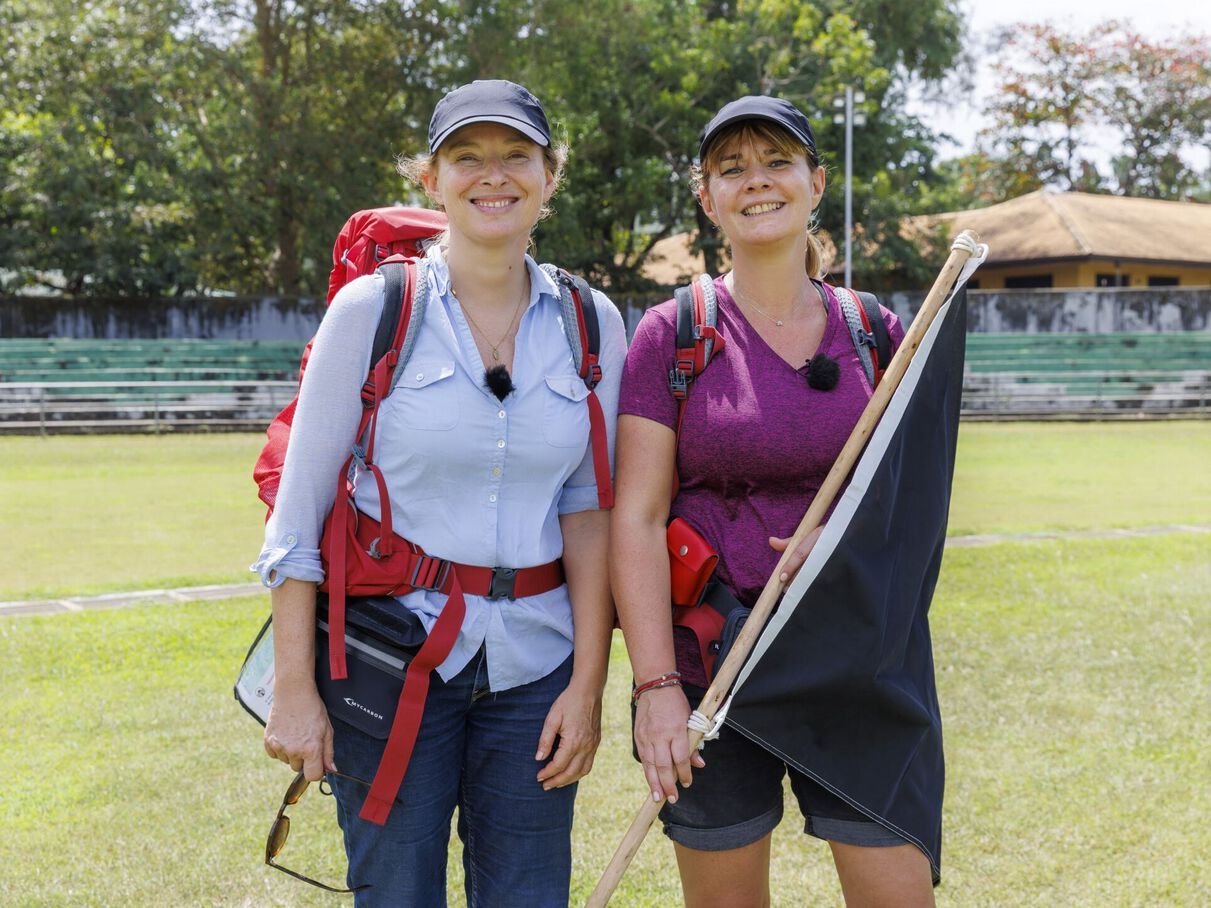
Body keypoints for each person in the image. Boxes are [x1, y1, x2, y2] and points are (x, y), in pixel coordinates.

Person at [253, 79, 625, 907]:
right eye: (467, 157)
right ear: (432, 180)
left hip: (536, 671)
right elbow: (299, 512)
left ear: (549, 176)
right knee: (395, 896)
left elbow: (587, 509)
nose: (492, 176)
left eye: (516, 156)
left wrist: (587, 685)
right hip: (392, 658)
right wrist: (294, 687)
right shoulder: (373, 309)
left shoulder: (592, 321)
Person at [612, 95, 938, 907]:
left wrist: (835, 540)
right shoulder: (672, 332)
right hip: (712, 664)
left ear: (814, 182)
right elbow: (636, 518)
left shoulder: (873, 330)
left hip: (854, 664)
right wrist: (656, 689)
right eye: (731, 169)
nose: (756, 182)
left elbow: (913, 501)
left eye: (776, 163)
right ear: (706, 197)